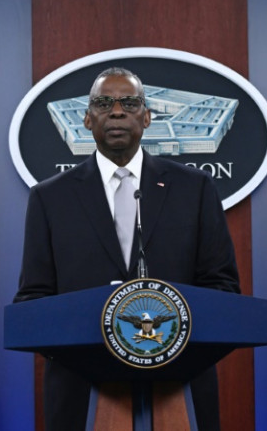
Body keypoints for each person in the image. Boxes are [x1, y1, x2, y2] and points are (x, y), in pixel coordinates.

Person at [14, 67, 240, 430]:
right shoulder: (49, 198)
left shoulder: (193, 189)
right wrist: (91, 352)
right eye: (104, 103)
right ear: (87, 118)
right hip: (81, 391)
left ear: (148, 117)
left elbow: (222, 288)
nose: (116, 111)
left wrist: (172, 345)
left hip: (178, 388)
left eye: (130, 103)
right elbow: (33, 299)